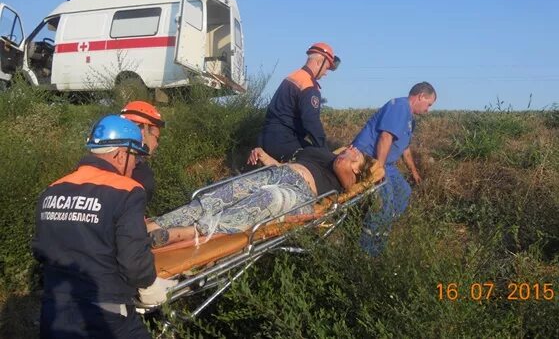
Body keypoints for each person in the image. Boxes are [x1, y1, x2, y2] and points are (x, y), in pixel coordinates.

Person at [32, 115, 176, 339]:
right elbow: (133, 261)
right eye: (135, 158)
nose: (135, 165)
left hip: (55, 310)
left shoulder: (52, 190)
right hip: (106, 315)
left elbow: (40, 250)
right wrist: (148, 287)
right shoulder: (128, 190)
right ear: (120, 154)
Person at [146, 145, 375, 248]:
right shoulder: (324, 155)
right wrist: (267, 157)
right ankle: (157, 224)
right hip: (278, 173)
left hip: (301, 195)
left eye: (354, 157)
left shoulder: (347, 178)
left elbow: (349, 174)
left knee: (270, 199)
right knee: (223, 193)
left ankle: (188, 232)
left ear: (356, 169)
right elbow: (289, 165)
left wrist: (350, 155)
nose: (348, 153)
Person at [352, 82, 437, 256]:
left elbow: (404, 148)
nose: (428, 110)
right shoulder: (400, 107)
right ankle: (367, 252)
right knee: (385, 203)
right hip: (368, 160)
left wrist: (413, 171)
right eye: (429, 104)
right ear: (420, 96)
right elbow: (385, 137)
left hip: (387, 165)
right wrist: (378, 170)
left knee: (403, 192)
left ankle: (382, 226)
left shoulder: (409, 118)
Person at [258, 42, 341, 161]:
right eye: (326, 68)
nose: (326, 73)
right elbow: (311, 122)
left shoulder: (293, 76)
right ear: (319, 62)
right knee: (320, 162)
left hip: (266, 137)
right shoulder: (308, 85)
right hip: (284, 141)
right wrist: (324, 151)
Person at [120, 100, 165, 205]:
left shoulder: (104, 158)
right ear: (142, 132)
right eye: (156, 138)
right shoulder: (142, 175)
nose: (157, 144)